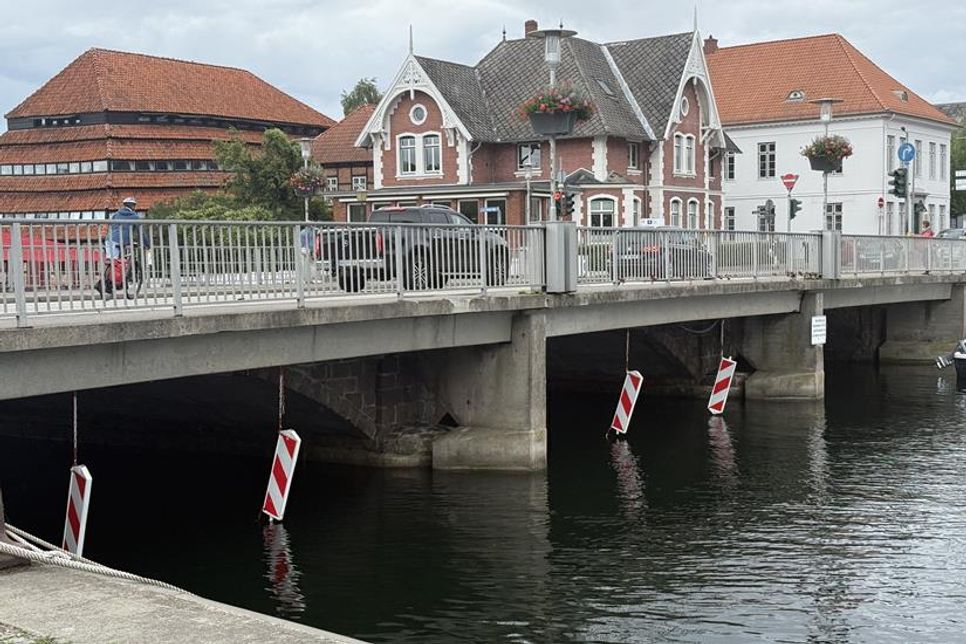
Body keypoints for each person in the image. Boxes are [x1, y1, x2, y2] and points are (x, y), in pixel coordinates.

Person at [95, 197, 151, 295]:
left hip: (110, 240)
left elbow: (113, 228)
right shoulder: (134, 216)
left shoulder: (116, 214)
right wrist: (147, 244)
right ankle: (103, 285)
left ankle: (114, 284)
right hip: (118, 242)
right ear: (133, 206)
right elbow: (141, 232)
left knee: (113, 264)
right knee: (115, 265)